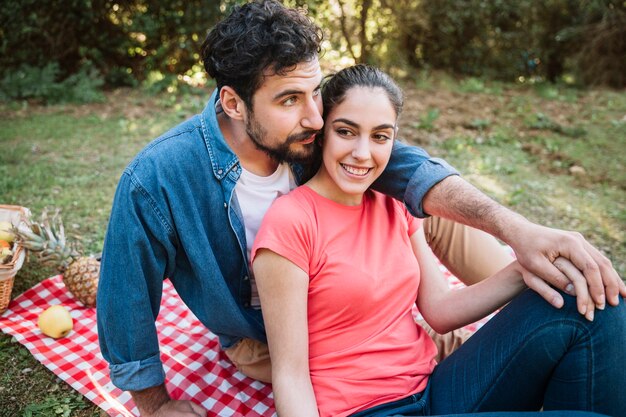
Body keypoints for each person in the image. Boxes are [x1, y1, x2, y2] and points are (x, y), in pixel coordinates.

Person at [96, 1, 626, 416]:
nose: (314, 118)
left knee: (435, 209)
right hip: (271, 336)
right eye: (289, 100)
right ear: (233, 102)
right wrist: (155, 405)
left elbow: (406, 167)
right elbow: (125, 301)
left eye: (314, 93)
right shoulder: (160, 180)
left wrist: (520, 236)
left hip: (390, 334)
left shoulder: (318, 136)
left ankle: (527, 312)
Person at [251, 64, 626, 417]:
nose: (362, 153)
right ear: (322, 133)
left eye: (380, 136)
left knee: (594, 303)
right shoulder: (292, 221)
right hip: (366, 410)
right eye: (346, 131)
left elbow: (440, 310)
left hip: (434, 391)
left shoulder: (391, 202)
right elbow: (291, 375)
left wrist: (525, 268)